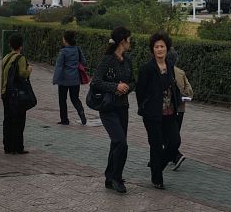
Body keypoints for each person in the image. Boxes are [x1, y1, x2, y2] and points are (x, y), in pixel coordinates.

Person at [91, 26, 134, 194]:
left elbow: (133, 81)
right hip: (108, 108)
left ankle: (109, 178)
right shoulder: (107, 60)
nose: (130, 42)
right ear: (122, 41)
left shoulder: (128, 60)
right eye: (129, 39)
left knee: (116, 142)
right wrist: (115, 86)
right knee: (121, 142)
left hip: (123, 107)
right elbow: (95, 82)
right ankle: (117, 177)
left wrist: (126, 88)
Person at [136, 31, 182, 189]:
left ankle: (157, 167)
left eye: (162, 46)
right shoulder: (147, 68)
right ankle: (157, 179)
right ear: (152, 49)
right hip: (153, 114)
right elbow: (140, 91)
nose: (160, 49)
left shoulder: (170, 65)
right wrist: (144, 107)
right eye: (156, 47)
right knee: (156, 146)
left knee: (175, 142)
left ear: (167, 48)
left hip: (170, 112)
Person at [1, 34, 32, 154]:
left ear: (10, 45)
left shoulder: (6, 57)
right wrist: (29, 70)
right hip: (16, 95)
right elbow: (23, 74)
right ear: (21, 46)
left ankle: (7, 146)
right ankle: (17, 147)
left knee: (8, 120)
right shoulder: (20, 58)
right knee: (18, 120)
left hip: (5, 93)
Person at [52, 31, 87, 126]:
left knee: (62, 100)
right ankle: (81, 112)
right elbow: (84, 61)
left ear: (65, 40)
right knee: (75, 98)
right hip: (75, 79)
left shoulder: (63, 51)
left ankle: (64, 120)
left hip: (64, 80)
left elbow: (59, 66)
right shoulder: (77, 49)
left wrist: (55, 79)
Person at [172, 64, 193, 171]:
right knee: (175, 133)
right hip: (180, 109)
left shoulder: (161, 71)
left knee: (166, 134)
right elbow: (189, 92)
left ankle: (176, 156)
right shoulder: (181, 72)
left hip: (167, 109)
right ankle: (171, 156)